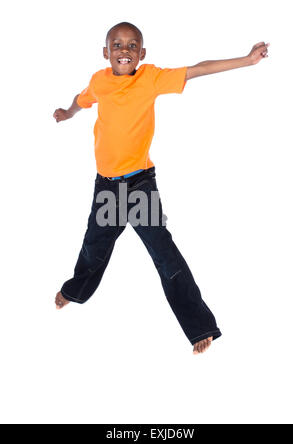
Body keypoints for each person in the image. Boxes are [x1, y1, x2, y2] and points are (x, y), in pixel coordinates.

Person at [53, 21, 269, 354]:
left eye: (131, 45)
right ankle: (76, 291)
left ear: (141, 53)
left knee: (164, 254)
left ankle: (199, 325)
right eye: (117, 45)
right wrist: (67, 113)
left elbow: (197, 70)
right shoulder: (99, 81)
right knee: (94, 244)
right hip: (107, 187)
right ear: (105, 52)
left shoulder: (150, 77)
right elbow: (82, 100)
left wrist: (246, 59)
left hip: (138, 185)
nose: (124, 50)